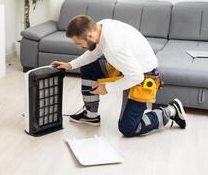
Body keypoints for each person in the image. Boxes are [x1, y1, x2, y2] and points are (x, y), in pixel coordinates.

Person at [51, 15, 187, 137]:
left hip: (144, 77)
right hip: (125, 69)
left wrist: (107, 88)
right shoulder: (100, 26)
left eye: (80, 44)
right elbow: (94, 53)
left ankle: (172, 110)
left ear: (90, 36)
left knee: (128, 128)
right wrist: (70, 65)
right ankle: (90, 115)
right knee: (88, 66)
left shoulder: (114, 47)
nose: (80, 47)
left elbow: (136, 77)